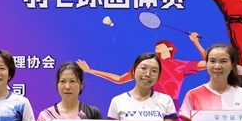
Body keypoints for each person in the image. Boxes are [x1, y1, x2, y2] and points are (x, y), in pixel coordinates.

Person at [77, 32, 205, 108]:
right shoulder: (146, 64)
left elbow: (209, 63)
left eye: (161, 45)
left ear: (170, 48)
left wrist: (196, 42)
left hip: (171, 106)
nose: (157, 47)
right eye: (156, 46)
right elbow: (120, 79)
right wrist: (90, 70)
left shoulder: (181, 65)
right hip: (148, 105)